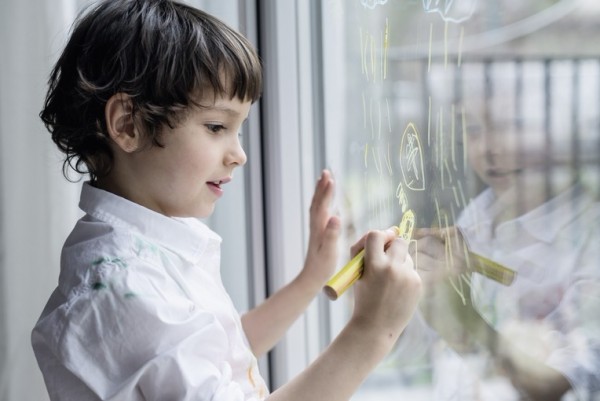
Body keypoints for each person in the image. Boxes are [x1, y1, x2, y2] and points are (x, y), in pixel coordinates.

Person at [30, 1, 422, 400]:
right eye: (217, 126)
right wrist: (373, 331)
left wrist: (310, 280)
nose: (239, 154)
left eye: (238, 130)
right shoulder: (123, 289)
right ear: (128, 124)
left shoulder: (146, 252)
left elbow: (217, 356)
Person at [407, 67, 600, 400]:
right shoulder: (480, 215)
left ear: (560, 130)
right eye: (473, 129)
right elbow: (448, 353)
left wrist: (464, 315)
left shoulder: (590, 235)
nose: (487, 149)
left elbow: (560, 384)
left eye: (511, 126)